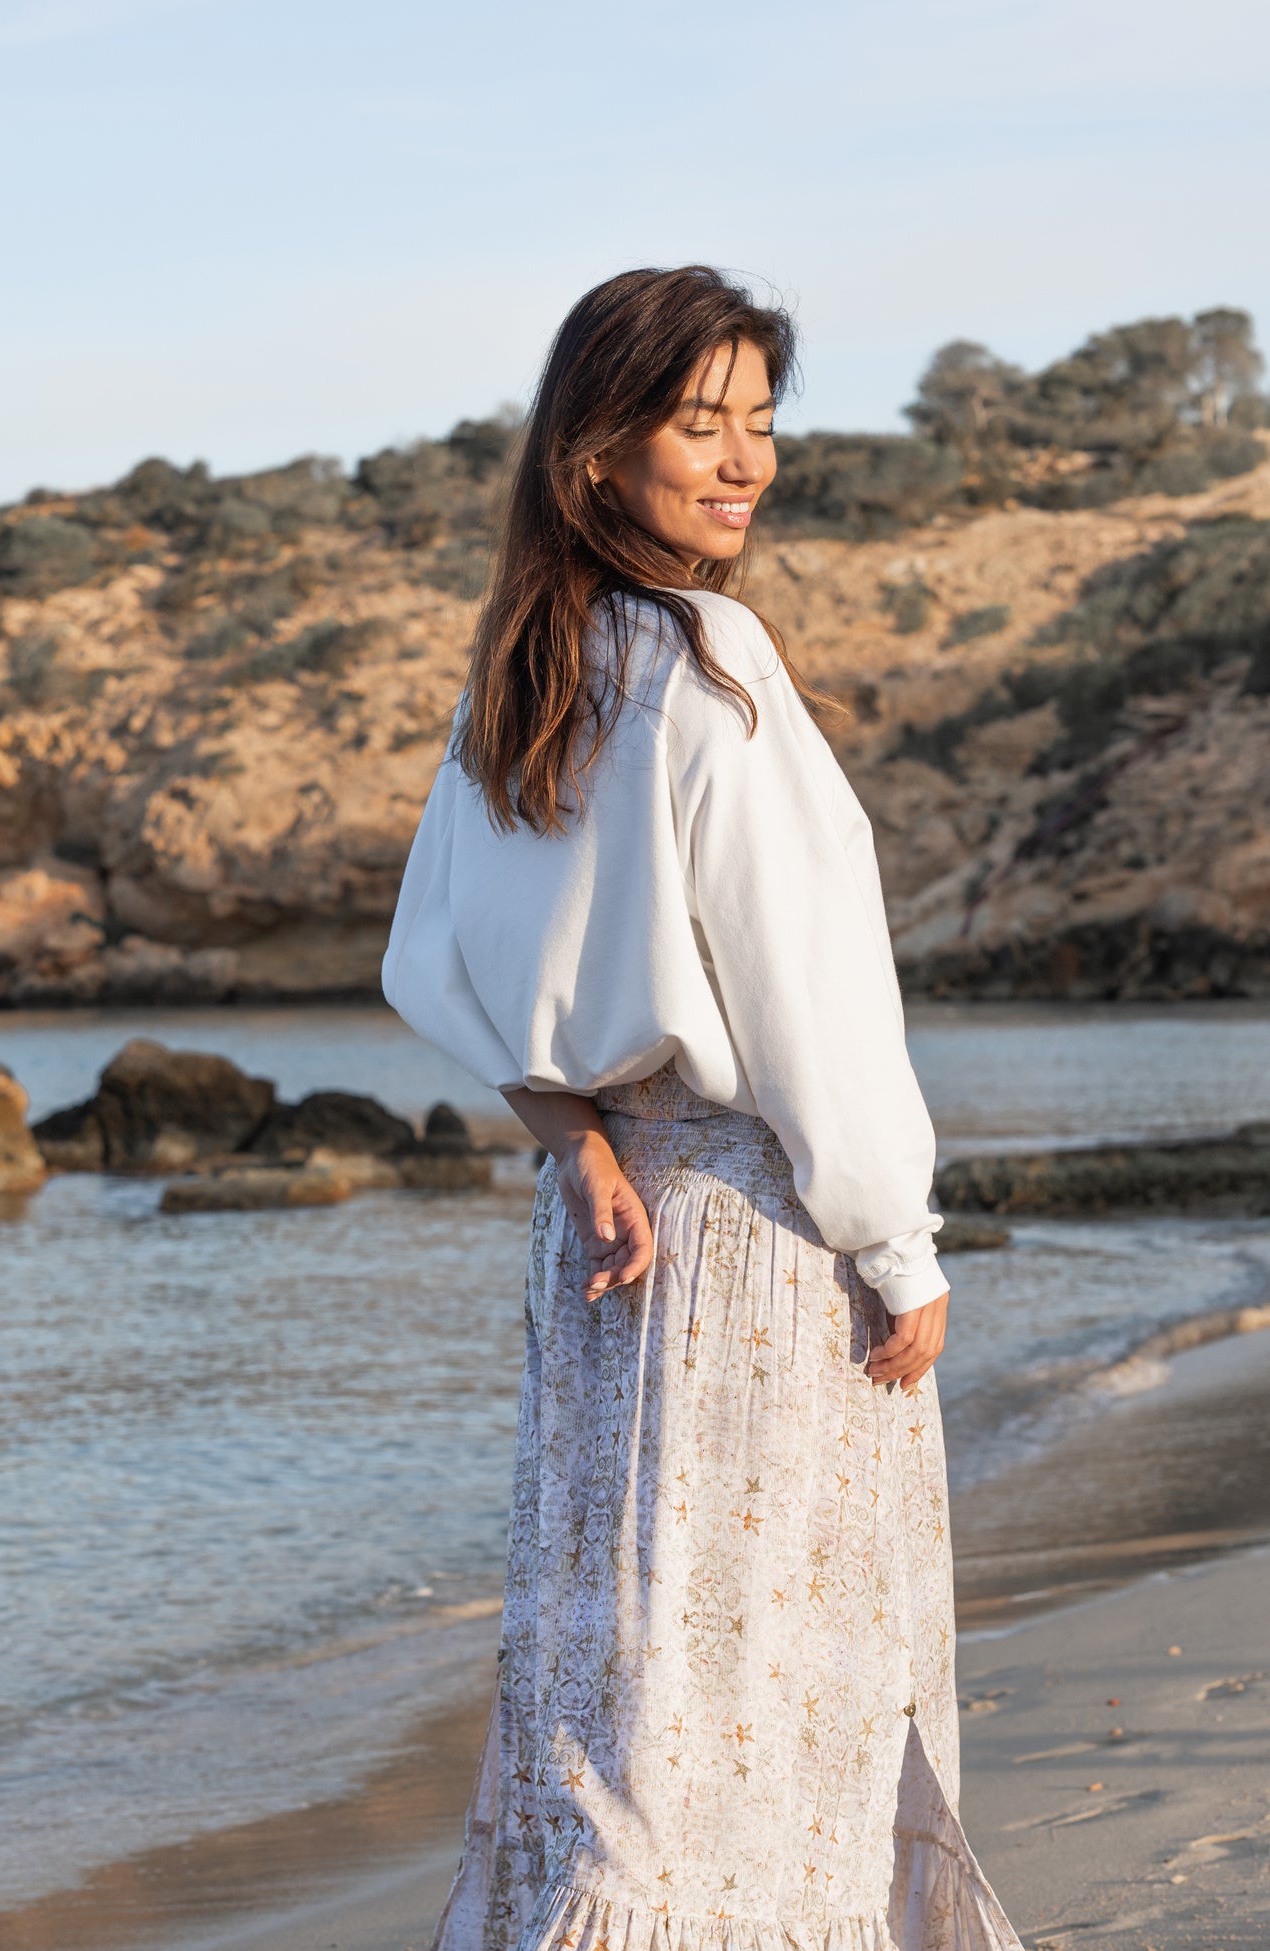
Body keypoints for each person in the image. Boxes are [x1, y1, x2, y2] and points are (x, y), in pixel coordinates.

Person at [382, 266, 1020, 1951]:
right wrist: (897, 1240)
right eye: (700, 425)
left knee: (616, 1695)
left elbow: (433, 964)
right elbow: (808, 990)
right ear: (597, 452)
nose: (745, 463)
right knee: (769, 1693)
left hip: (602, 1247)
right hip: (752, 1243)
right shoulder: (708, 657)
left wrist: (576, 1140)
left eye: (760, 423)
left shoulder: (525, 674)